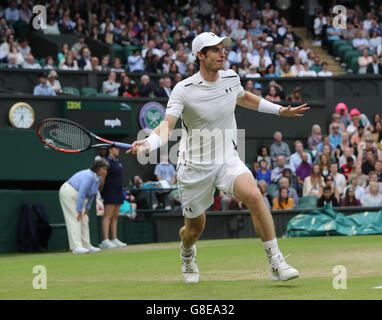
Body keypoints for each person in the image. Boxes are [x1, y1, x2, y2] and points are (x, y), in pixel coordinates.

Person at [127, 32, 308, 283]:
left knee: (255, 195)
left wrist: (278, 110)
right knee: (194, 230)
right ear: (200, 55)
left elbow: (244, 98)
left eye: (223, 48)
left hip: (227, 160)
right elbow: (167, 125)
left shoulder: (231, 78)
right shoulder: (183, 89)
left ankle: (276, 261)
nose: (222, 52)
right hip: (194, 168)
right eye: (215, 49)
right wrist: (149, 141)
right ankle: (187, 253)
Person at [59, 159, 109, 254]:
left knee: (85, 219)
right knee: (75, 218)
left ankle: (86, 245)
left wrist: (87, 208)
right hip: (68, 193)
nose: (105, 171)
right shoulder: (88, 176)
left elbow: (92, 194)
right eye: (103, 169)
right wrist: (79, 210)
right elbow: (82, 193)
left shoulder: (99, 178)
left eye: (106, 169)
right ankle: (76, 247)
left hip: (80, 197)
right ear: (97, 169)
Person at [99, 147, 127, 249]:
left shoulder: (118, 162)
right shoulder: (106, 162)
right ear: (110, 150)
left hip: (118, 191)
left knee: (115, 216)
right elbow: (103, 177)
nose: (118, 150)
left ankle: (114, 238)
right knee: (108, 216)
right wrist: (101, 190)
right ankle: (105, 240)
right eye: (116, 149)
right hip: (109, 191)